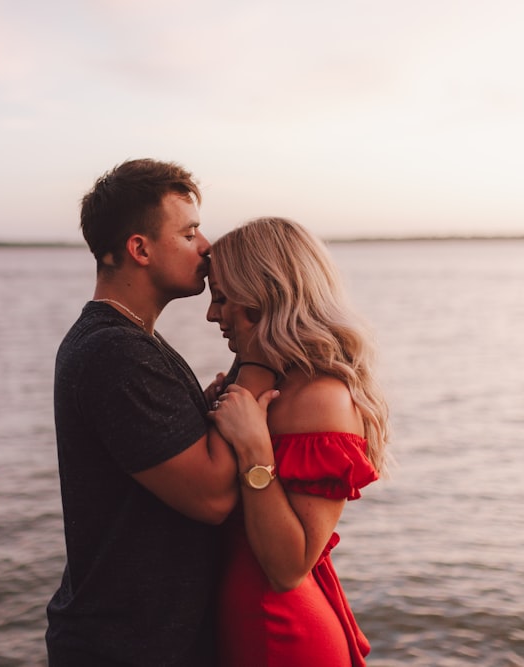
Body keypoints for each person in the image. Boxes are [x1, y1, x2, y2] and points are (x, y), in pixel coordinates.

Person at [46, 159, 274, 667]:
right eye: (189, 231)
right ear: (140, 248)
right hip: (130, 647)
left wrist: (214, 406)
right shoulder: (114, 352)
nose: (206, 245)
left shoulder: (130, 340)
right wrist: (259, 356)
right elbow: (213, 497)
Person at [205, 217, 390, 667]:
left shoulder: (320, 398)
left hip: (278, 631)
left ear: (260, 298)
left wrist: (254, 449)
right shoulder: (271, 381)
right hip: (240, 621)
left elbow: (288, 568)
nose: (212, 315)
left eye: (222, 298)